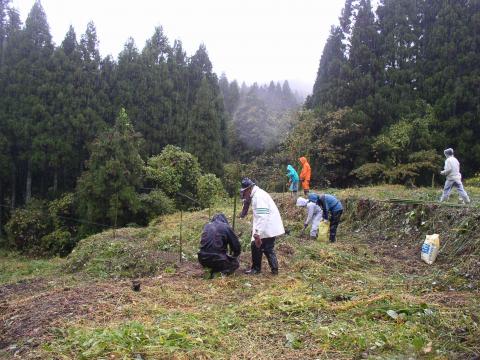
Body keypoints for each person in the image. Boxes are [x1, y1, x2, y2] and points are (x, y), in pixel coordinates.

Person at [240, 177, 285, 275]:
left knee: (260, 246)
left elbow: (262, 216)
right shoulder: (257, 194)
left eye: (244, 192)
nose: (244, 195)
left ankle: (257, 269)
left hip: (267, 225)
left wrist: (257, 233)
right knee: (266, 247)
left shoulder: (258, 197)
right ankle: (273, 269)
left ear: (249, 189)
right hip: (268, 225)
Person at [198, 213, 241, 278]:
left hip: (202, 259)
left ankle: (211, 271)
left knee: (215, 257)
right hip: (218, 259)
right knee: (235, 263)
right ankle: (222, 273)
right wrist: (233, 257)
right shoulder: (226, 227)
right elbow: (236, 247)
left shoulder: (207, 226)